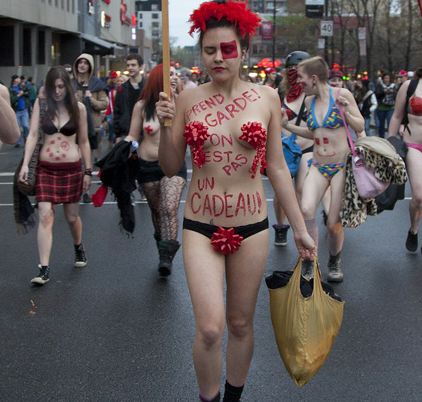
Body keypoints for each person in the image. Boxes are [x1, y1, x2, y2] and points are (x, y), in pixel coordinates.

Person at [156, 2, 315, 401]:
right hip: (200, 223)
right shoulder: (188, 98)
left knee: (241, 323)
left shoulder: (266, 98)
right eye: (209, 50)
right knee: (210, 328)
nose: (218, 58)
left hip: (252, 226)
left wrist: (299, 229)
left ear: (243, 50)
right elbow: (172, 166)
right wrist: (166, 127)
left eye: (227, 49)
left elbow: (277, 167)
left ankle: (233, 397)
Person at [281, 56, 364, 283]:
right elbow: (313, 132)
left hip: (340, 166)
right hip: (318, 165)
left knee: (333, 223)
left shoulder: (342, 95)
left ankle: (335, 259)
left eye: (301, 77)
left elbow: (361, 126)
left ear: (314, 78)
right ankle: (310, 259)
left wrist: (346, 113)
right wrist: (287, 125)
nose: (298, 82)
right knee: (306, 209)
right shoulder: (309, 102)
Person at [18, 66, 92, 286]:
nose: (58, 91)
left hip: (71, 170)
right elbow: (31, 136)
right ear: (48, 88)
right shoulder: (41, 107)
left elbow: (84, 142)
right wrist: (24, 164)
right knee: (45, 215)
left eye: (61, 86)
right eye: (54, 87)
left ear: (67, 87)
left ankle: (78, 247)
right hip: (46, 170)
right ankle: (44, 269)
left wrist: (88, 171)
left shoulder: (78, 109)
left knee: (71, 217)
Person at [125, 64, 186, 276]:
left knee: (169, 208)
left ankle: (166, 256)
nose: (174, 78)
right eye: (170, 75)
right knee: (157, 212)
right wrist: (123, 154)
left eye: (175, 75)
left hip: (174, 165)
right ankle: (162, 246)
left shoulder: (181, 102)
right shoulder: (142, 106)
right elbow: (133, 136)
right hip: (147, 166)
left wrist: (180, 93)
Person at [272, 50, 311, 246]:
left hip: (307, 148)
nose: (294, 72)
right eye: (290, 68)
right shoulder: (278, 92)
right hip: (283, 148)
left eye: (299, 68)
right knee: (281, 191)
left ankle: (301, 229)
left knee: (300, 189)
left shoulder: (314, 93)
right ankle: (281, 226)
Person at [388, 67, 422, 253]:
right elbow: (397, 115)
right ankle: (414, 229)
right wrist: (390, 143)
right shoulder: (410, 86)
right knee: (418, 195)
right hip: (414, 145)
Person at [71, 53, 108, 202]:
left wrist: (90, 98)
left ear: (90, 66)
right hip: (74, 126)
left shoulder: (97, 84)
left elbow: (104, 104)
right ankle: (76, 188)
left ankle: (86, 191)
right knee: (76, 159)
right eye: (80, 62)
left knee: (88, 160)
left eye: (86, 63)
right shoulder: (71, 83)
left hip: (92, 126)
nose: (82, 65)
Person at [113, 54, 145, 142]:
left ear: (141, 67)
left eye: (133, 65)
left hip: (145, 134)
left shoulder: (148, 86)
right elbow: (117, 111)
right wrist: (118, 134)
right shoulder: (122, 88)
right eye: (128, 65)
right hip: (126, 133)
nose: (130, 67)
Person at [10, 74, 30, 147]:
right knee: (18, 128)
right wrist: (19, 95)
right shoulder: (11, 89)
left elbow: (28, 93)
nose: (19, 79)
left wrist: (24, 92)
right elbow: (12, 100)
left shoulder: (21, 86)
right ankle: (19, 142)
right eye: (17, 78)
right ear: (14, 80)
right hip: (16, 111)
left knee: (25, 126)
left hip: (24, 109)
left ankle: (27, 139)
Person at [375, 72, 396, 138]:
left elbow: (396, 95)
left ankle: (390, 138)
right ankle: (382, 138)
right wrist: (384, 92)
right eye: (385, 78)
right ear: (383, 79)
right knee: (381, 124)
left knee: (390, 123)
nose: (387, 79)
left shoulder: (393, 86)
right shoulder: (379, 85)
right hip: (381, 108)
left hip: (390, 107)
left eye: (388, 78)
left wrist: (393, 92)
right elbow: (377, 95)